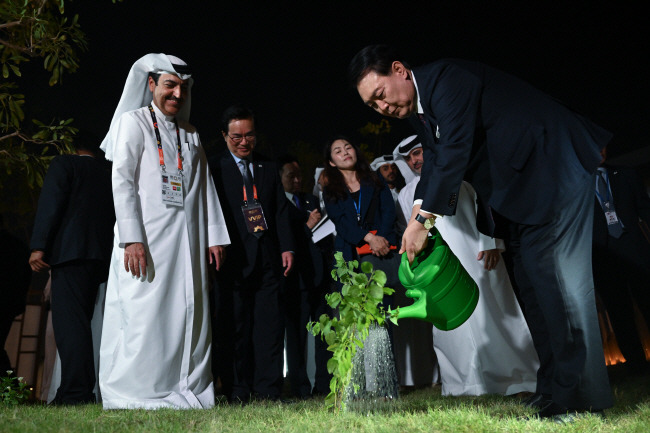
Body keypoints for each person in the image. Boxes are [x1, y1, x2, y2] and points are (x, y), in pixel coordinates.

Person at [350, 44, 613, 418]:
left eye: (381, 95)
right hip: (520, 194)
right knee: (530, 285)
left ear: (399, 70)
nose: (383, 108)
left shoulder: (447, 80)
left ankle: (582, 399)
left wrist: (426, 223)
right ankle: (554, 387)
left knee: (559, 285)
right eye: (373, 106)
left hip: (554, 171)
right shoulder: (420, 113)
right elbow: (435, 162)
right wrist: (414, 216)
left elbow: (455, 151)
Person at [98, 53, 230, 409]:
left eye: (183, 88)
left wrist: (215, 235)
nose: (177, 94)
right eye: (170, 85)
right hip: (147, 240)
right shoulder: (133, 122)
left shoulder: (190, 132)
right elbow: (121, 181)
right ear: (152, 84)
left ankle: (187, 385)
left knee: (189, 311)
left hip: (188, 243)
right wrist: (132, 238)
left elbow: (205, 186)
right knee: (145, 313)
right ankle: (135, 391)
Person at [396, 135, 538, 396]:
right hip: (439, 269)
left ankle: (517, 377)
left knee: (494, 314)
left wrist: (491, 240)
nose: (416, 160)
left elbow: (481, 204)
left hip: (477, 255)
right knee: (450, 324)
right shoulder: (407, 194)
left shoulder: (456, 175)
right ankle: (462, 385)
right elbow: (419, 232)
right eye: (410, 157)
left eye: (419, 152)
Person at [208, 105, 294, 403]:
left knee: (269, 327)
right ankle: (236, 389)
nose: (244, 142)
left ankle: (268, 388)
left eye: (249, 135)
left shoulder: (267, 168)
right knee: (234, 328)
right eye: (236, 137)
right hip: (231, 261)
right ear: (224, 136)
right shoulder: (213, 169)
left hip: (268, 259)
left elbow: (280, 211)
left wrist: (287, 247)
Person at [28, 131, 115, 405]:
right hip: (100, 257)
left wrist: (39, 245)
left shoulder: (64, 164)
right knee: (82, 324)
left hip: (69, 255)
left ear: (71, 147)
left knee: (69, 326)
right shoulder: (110, 172)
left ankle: (76, 392)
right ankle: (73, 389)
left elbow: (50, 204)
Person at [322, 136, 399, 310]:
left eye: (348, 147)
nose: (345, 153)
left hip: (380, 250)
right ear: (332, 162)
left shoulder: (375, 179)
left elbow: (389, 211)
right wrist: (368, 238)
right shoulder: (330, 190)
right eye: (338, 151)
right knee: (355, 314)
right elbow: (340, 223)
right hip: (348, 255)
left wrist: (380, 239)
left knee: (383, 312)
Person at [277, 154, 332, 398]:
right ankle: (299, 388)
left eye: (300, 175)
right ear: (280, 178)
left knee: (323, 334)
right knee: (296, 337)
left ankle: (324, 385)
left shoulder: (311, 200)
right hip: (294, 280)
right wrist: (306, 227)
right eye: (291, 176)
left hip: (319, 277)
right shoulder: (276, 204)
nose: (297, 180)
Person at [592, 147, 650, 374]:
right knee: (619, 312)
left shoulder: (625, 174)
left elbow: (645, 209)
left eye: (604, 146)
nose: (601, 151)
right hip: (603, 255)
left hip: (635, 249)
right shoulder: (573, 185)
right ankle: (637, 368)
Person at [0, 215, 31, 378]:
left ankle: (9, 385)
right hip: (10, 304)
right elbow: (26, 278)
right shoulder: (19, 246)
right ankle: (9, 386)